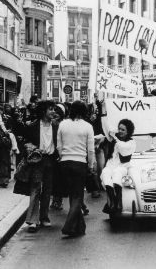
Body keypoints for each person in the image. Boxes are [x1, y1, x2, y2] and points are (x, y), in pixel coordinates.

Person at [57, 100, 95, 237]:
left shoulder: (62, 124)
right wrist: (91, 165)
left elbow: (59, 146)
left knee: (73, 196)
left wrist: (62, 157)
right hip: (80, 163)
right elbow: (90, 150)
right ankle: (68, 226)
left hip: (65, 163)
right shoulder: (87, 126)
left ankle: (79, 228)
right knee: (78, 196)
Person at [24, 100, 58, 232]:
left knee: (48, 190)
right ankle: (33, 220)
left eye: (54, 109)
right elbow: (26, 142)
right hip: (37, 160)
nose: (53, 111)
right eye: (51, 109)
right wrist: (31, 147)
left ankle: (44, 217)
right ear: (43, 111)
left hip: (51, 160)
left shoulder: (56, 125)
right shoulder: (33, 126)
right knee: (35, 188)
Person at [100, 100, 136, 214]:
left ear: (128, 131)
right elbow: (105, 126)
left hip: (122, 166)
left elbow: (124, 150)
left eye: (123, 130)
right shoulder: (113, 138)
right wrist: (103, 109)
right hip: (111, 165)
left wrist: (115, 137)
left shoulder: (131, 142)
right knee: (105, 174)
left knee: (116, 176)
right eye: (119, 129)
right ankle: (112, 201)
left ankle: (118, 203)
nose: (120, 131)